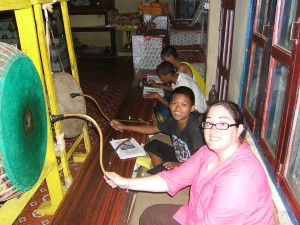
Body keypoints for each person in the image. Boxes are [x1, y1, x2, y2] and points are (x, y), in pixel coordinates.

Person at [104, 100, 274, 224]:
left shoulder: (239, 179)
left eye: (222, 124)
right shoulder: (208, 152)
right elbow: (172, 178)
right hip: (197, 215)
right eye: (209, 123)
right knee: (151, 215)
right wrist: (125, 182)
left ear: (239, 130)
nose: (213, 130)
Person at [111, 86, 204, 174]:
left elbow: (201, 157)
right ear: (169, 105)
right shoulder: (173, 120)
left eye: (183, 104)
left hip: (192, 165)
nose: (177, 108)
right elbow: (153, 129)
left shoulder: (195, 129)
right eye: (174, 103)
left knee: (161, 175)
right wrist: (124, 127)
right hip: (179, 156)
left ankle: (164, 175)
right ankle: (162, 173)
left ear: (192, 108)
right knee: (153, 144)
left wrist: (180, 164)